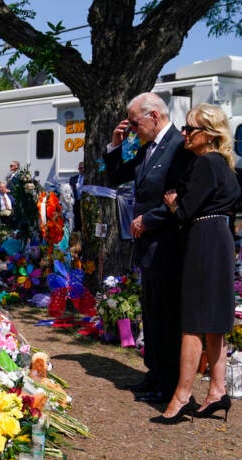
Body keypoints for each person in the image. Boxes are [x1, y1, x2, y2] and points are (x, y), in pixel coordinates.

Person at [104, 92, 195, 404]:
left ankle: (169, 380)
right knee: (152, 312)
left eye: (134, 122)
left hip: (167, 243)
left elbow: (180, 195)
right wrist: (116, 145)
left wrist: (148, 219)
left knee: (167, 314)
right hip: (148, 246)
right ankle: (154, 371)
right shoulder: (148, 148)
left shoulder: (179, 146)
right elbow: (117, 176)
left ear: (154, 116)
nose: (131, 128)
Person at [154, 103, 241, 423]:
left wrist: (174, 204)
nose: (184, 134)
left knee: (192, 322)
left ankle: (181, 396)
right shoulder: (225, 166)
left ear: (209, 134)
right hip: (221, 237)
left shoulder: (204, 164)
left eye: (191, 129)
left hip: (203, 237)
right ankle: (217, 390)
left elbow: (187, 211)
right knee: (215, 322)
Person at [69, 162, 84, 231]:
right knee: (77, 221)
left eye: (83, 168)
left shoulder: (88, 178)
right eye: (80, 168)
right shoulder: (73, 179)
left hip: (84, 202)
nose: (82, 170)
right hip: (76, 203)